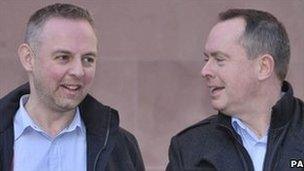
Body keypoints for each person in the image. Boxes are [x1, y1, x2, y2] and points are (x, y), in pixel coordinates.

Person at [0, 3, 145, 171]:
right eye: (63, 57)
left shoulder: (121, 147)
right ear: (28, 58)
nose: (79, 71)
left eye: (88, 59)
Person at [167, 8, 304, 171]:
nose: (205, 71)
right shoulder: (188, 148)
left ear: (263, 67)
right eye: (206, 59)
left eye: (219, 59)